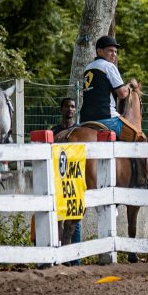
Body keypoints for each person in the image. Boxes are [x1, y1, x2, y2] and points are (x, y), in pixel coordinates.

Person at [80, 35, 148, 187]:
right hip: (106, 118)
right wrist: (130, 85)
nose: (114, 54)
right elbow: (122, 94)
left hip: (85, 120)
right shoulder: (109, 67)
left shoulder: (88, 68)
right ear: (99, 51)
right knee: (139, 137)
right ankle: (142, 179)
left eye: (115, 52)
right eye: (110, 51)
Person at [50, 98, 81, 264]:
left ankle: (75, 261)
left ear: (75, 110)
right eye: (67, 106)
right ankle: (59, 258)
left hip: (74, 182)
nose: (70, 109)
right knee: (59, 221)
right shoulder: (54, 132)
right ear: (61, 109)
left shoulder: (80, 132)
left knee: (75, 222)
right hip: (58, 181)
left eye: (73, 106)